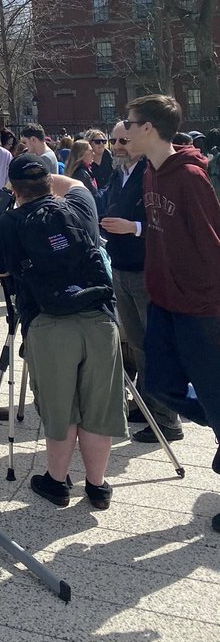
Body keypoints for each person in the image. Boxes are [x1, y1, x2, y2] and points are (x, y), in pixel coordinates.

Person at [0, 156, 126, 510]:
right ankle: (98, 486)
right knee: (99, 406)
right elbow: (74, 185)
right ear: (50, 181)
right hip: (98, 316)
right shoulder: (81, 206)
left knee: (60, 409)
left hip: (48, 321)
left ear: (15, 189)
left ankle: (57, 481)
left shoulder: (8, 222)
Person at [123, 95, 220, 532]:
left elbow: (212, 245)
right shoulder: (149, 173)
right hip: (163, 299)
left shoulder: (192, 178)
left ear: (148, 129)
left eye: (129, 122)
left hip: (201, 306)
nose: (123, 130)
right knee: (159, 384)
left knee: (216, 395)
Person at [99, 120, 182, 443]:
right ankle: (147, 405)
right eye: (113, 140)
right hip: (120, 266)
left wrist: (132, 227)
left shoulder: (152, 173)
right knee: (134, 343)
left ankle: (166, 419)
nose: (117, 145)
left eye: (123, 140)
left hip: (146, 269)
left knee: (153, 345)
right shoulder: (117, 171)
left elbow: (165, 224)